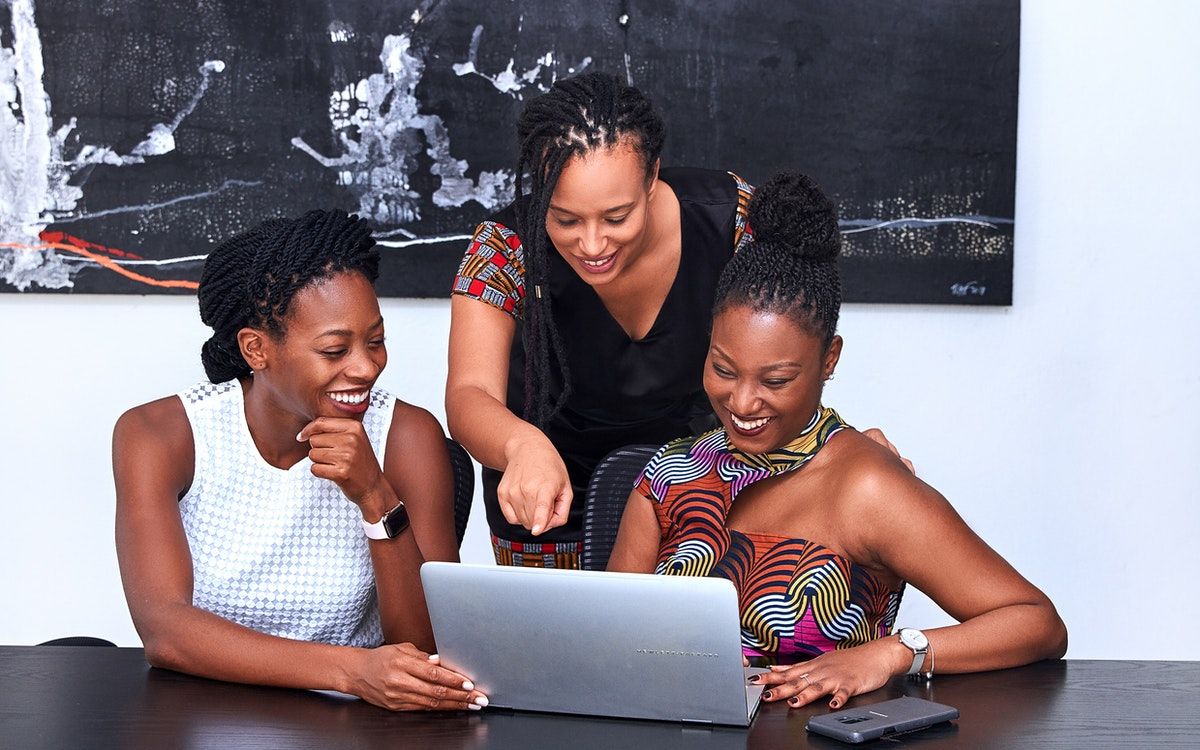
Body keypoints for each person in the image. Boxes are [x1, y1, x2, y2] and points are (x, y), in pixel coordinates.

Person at [608, 172, 1067, 710]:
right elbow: (610, 638)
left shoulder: (868, 487)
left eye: (775, 380)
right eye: (723, 369)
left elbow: (1037, 623)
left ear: (830, 360)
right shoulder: (668, 476)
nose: (742, 401)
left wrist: (895, 653)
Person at [113, 210, 487, 712]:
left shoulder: (406, 435)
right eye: (335, 350)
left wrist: (376, 498)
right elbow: (166, 630)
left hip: (353, 726)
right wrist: (351, 671)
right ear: (256, 349)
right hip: (199, 713)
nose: (365, 367)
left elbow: (426, 649)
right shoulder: (160, 436)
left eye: (375, 341)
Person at [446, 71, 760, 568]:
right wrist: (521, 444)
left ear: (652, 176)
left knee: (682, 645)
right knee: (558, 646)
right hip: (547, 503)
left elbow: (787, 354)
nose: (592, 245)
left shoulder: (734, 222)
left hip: (696, 491)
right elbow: (467, 397)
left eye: (616, 217)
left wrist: (831, 444)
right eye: (565, 219)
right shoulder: (503, 249)